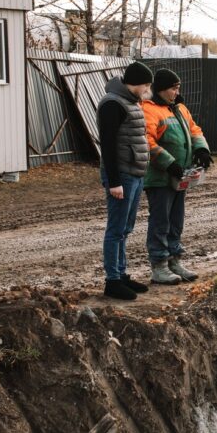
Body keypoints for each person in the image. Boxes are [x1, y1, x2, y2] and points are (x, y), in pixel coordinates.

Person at [142, 68, 213, 284]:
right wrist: (168, 162)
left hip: (180, 176)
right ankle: (159, 265)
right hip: (160, 177)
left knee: (176, 220)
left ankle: (175, 260)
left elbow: (194, 130)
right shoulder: (150, 109)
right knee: (160, 221)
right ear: (162, 89)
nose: (177, 91)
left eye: (178, 87)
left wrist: (201, 149)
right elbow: (147, 141)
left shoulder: (179, 108)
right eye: (173, 87)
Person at [96, 61, 154, 300]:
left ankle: (121, 274)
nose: (147, 90)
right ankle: (112, 280)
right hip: (122, 175)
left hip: (134, 172)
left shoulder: (130, 102)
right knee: (116, 229)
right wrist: (114, 181)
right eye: (146, 85)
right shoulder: (113, 104)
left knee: (126, 228)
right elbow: (108, 146)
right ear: (135, 83)